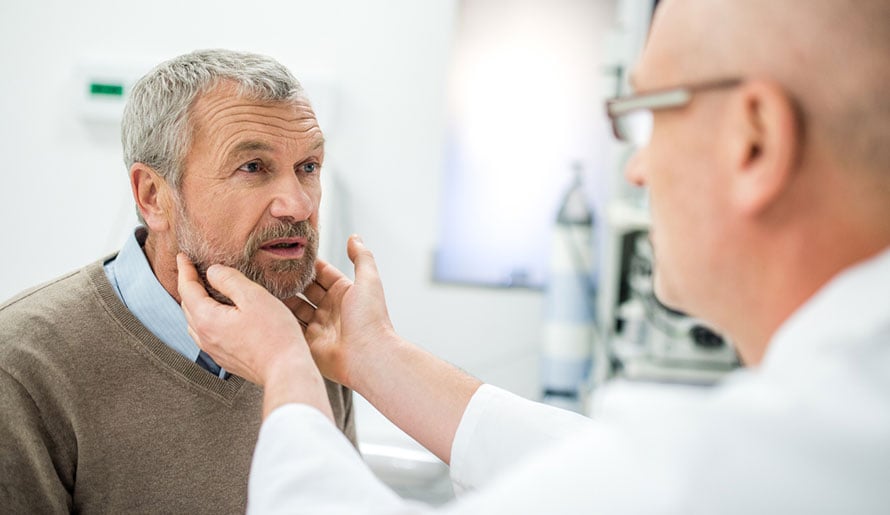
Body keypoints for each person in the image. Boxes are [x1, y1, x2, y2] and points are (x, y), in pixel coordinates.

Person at [179, 0, 890, 512]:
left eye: (650, 114)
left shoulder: (754, 462)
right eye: (253, 167)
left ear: (754, 141)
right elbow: (587, 469)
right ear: (153, 195)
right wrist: (373, 356)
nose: (637, 169)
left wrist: (287, 369)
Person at [0, 49, 356, 513]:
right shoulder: (24, 367)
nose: (300, 205)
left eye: (308, 167)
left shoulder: (316, 339)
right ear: (153, 196)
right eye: (253, 167)